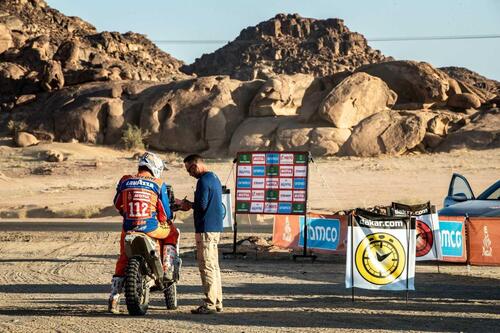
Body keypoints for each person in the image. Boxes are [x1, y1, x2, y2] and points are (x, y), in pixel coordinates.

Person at [107, 151, 178, 314]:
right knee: (172, 232)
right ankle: (167, 269)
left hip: (129, 228)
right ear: (155, 167)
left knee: (123, 258)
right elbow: (165, 214)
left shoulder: (125, 180)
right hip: (151, 228)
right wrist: (165, 218)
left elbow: (118, 204)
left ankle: (113, 298)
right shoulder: (158, 184)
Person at [182, 154, 223, 314]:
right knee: (214, 266)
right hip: (214, 228)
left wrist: (187, 205)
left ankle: (210, 303)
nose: (190, 174)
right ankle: (217, 301)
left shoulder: (203, 181)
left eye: (189, 170)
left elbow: (202, 205)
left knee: (206, 267)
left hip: (205, 229)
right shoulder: (214, 178)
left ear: (195, 166)